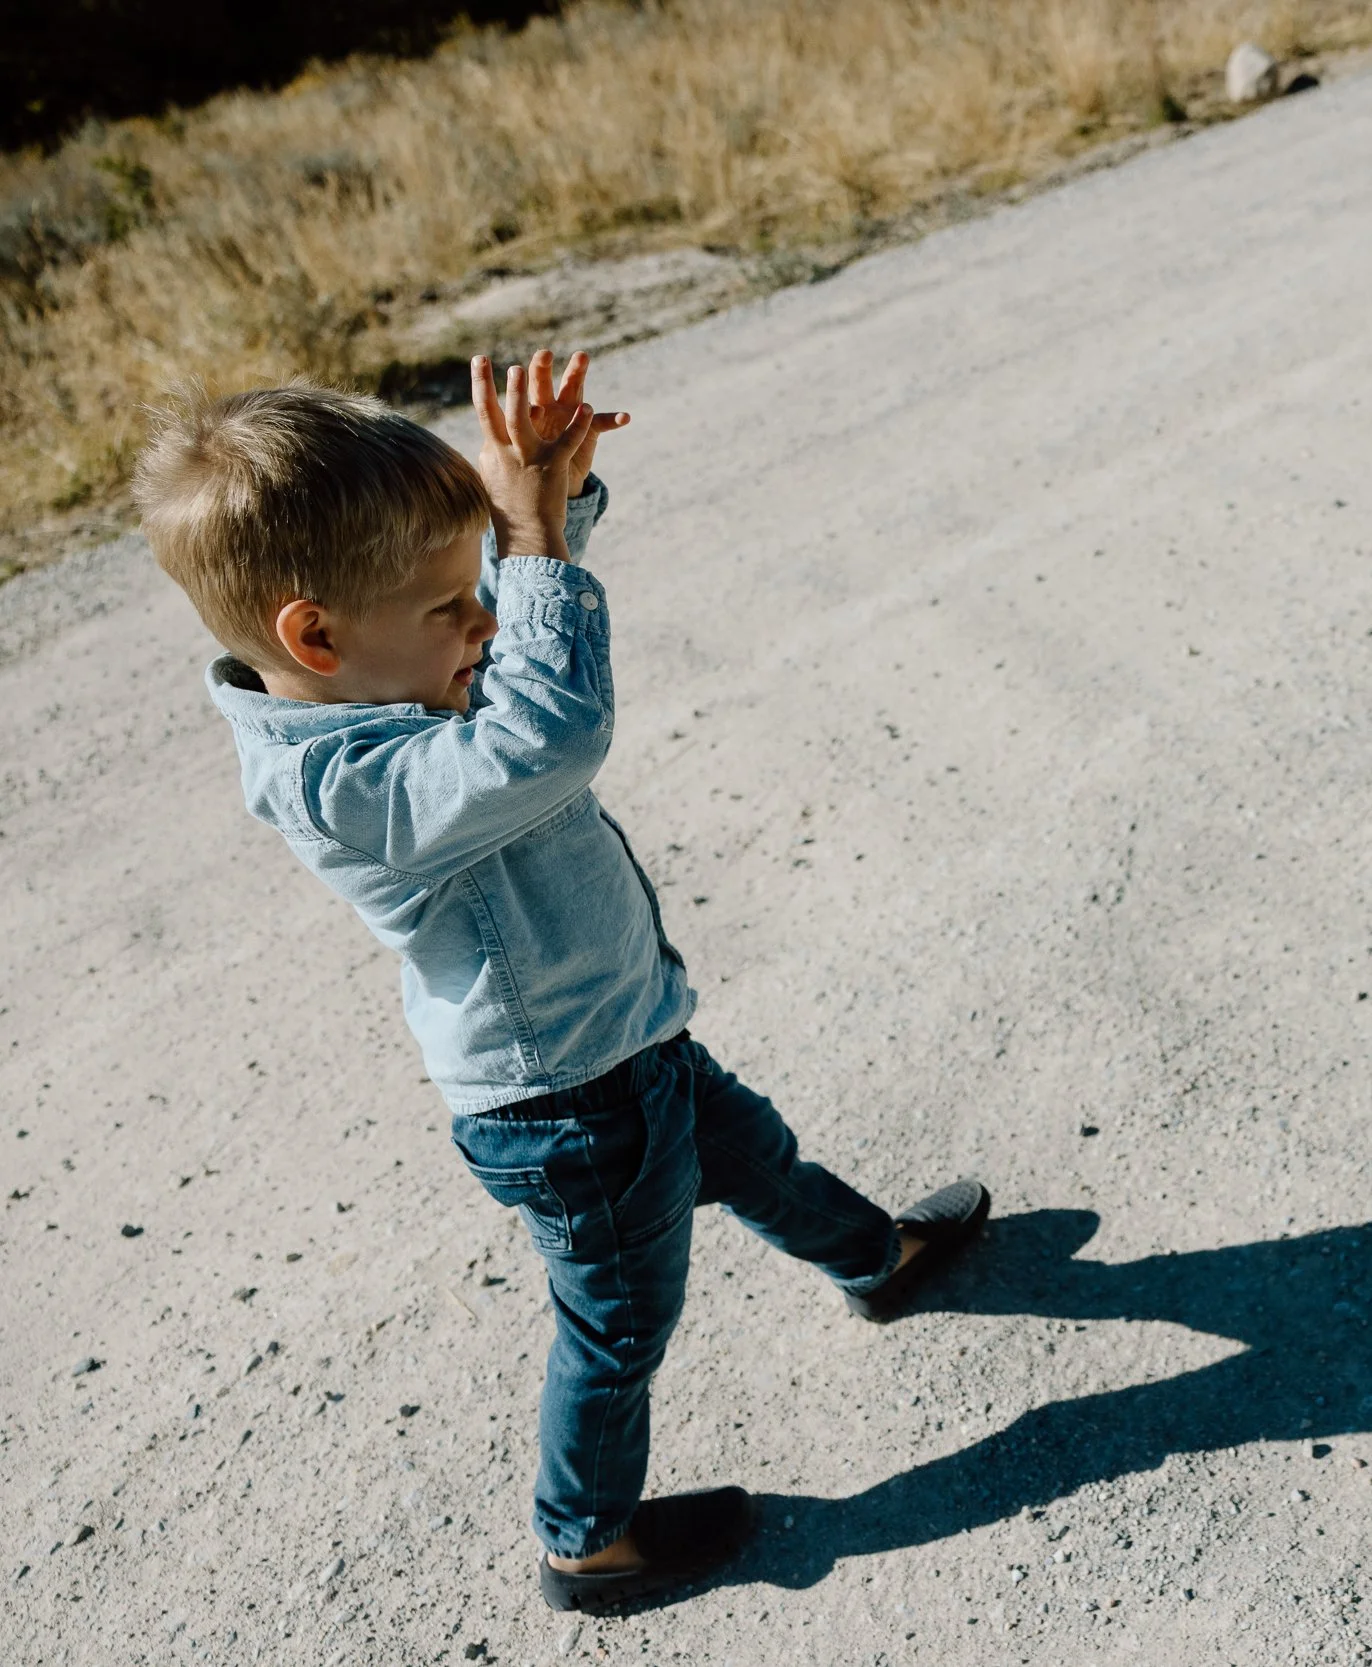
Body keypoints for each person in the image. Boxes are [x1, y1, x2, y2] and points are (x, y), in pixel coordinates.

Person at [135, 350, 990, 1611]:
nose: (482, 620)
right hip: (566, 1107)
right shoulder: (340, 784)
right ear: (311, 633)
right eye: (451, 609)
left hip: (623, 1039)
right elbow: (548, 730)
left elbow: (483, 597)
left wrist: (543, 504)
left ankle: (878, 1257)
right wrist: (534, 556)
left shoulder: (374, 664)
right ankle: (585, 1537)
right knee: (619, 1322)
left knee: (755, 1154)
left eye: (474, 592)